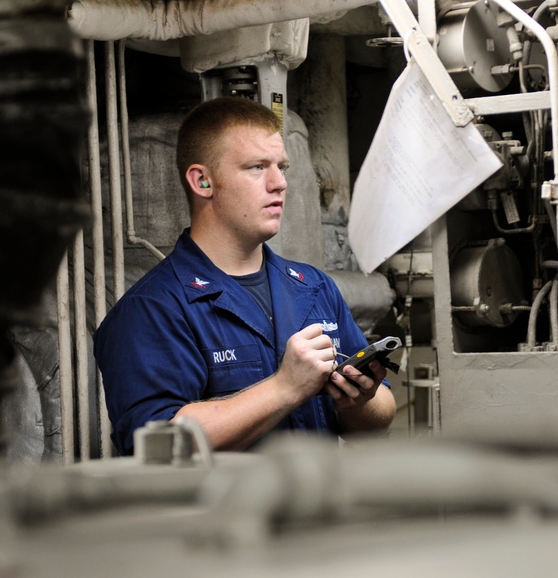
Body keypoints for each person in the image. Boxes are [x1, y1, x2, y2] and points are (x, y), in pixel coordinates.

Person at [95, 96, 396, 455]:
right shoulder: (153, 310)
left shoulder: (313, 288)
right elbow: (154, 447)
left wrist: (360, 400)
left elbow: (380, 417)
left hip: (316, 507)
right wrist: (285, 389)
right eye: (257, 167)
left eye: (281, 167)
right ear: (203, 181)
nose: (279, 183)